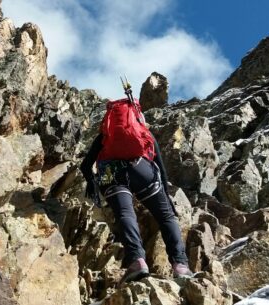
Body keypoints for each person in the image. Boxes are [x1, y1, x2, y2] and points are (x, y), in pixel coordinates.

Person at [79, 97, 194, 283]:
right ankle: (180, 265)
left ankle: (137, 260)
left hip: (111, 173)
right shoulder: (143, 131)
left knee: (126, 214)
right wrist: (166, 195)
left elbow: (86, 166)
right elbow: (160, 167)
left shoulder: (105, 135)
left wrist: (92, 182)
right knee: (166, 217)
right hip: (141, 170)